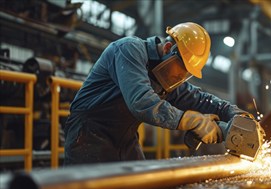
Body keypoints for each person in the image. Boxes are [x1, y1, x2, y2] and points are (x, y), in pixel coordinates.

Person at [64, 22, 248, 165]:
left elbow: (200, 99)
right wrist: (193, 121)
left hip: (125, 138)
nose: (182, 76)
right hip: (88, 134)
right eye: (182, 67)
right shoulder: (129, 49)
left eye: (188, 73)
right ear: (168, 48)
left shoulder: (166, 78)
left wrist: (237, 114)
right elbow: (142, 102)